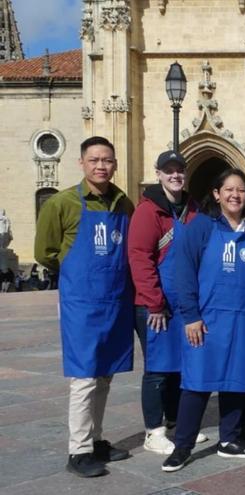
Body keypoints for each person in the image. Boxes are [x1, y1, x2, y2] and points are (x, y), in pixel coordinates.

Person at [162, 168, 245, 472]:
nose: (235, 195)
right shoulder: (200, 227)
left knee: (239, 382)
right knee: (197, 385)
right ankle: (182, 447)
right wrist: (190, 316)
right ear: (217, 194)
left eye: (241, 190)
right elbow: (184, 274)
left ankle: (230, 439)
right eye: (228, 189)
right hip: (207, 322)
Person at [35, 136, 135, 478]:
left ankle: (96, 439)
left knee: (105, 375)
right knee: (84, 377)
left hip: (115, 298)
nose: (101, 166)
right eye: (94, 160)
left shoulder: (124, 204)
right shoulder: (62, 203)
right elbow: (44, 252)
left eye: (107, 160)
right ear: (82, 163)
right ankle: (78, 450)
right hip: (81, 302)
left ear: (115, 164)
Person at [128, 150, 205, 455]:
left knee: (179, 366)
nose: (175, 176)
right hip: (155, 306)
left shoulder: (193, 208)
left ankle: (176, 424)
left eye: (179, 170)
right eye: (168, 171)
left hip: (183, 304)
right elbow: (140, 258)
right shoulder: (148, 212)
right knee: (158, 369)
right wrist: (154, 303)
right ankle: (153, 431)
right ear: (158, 174)